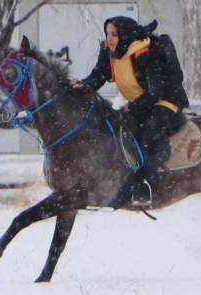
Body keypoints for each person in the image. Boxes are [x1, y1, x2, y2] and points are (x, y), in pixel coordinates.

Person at [71, 16, 188, 207]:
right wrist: (82, 85)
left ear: (124, 35)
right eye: (107, 34)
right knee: (123, 130)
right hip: (141, 103)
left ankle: (147, 184)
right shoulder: (110, 52)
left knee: (148, 131)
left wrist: (132, 107)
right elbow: (99, 76)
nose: (109, 39)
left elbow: (154, 92)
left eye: (114, 34)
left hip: (164, 102)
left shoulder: (144, 53)